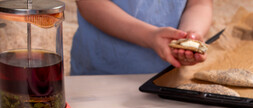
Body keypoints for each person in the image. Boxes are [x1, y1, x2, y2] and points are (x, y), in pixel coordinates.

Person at [70, 0, 213, 75]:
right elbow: (90, 3)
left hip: (167, 73)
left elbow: (200, 3)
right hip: (102, 71)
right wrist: (150, 36)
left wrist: (189, 36)